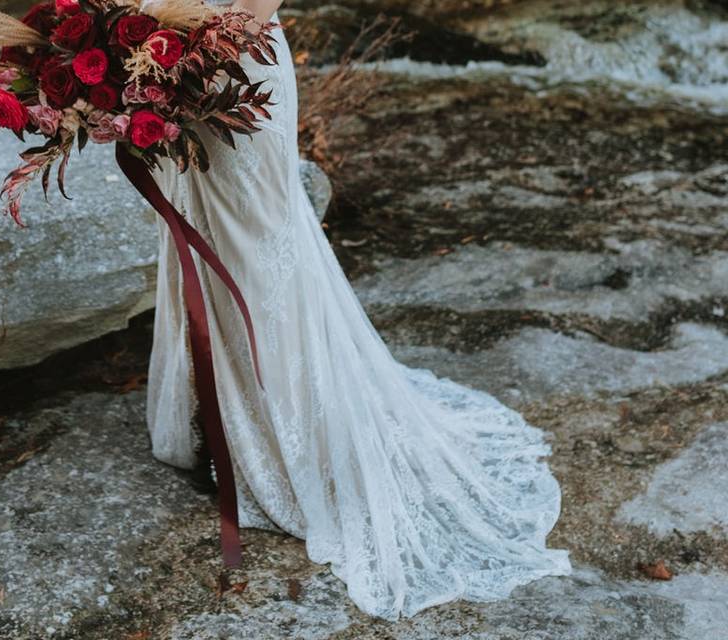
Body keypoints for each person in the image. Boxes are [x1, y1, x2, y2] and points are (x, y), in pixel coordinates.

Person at [146, 0, 573, 620]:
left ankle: (286, 435)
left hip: (236, 74)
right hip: (168, 79)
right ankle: (209, 414)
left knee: (258, 253)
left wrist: (182, 58)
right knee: (190, 230)